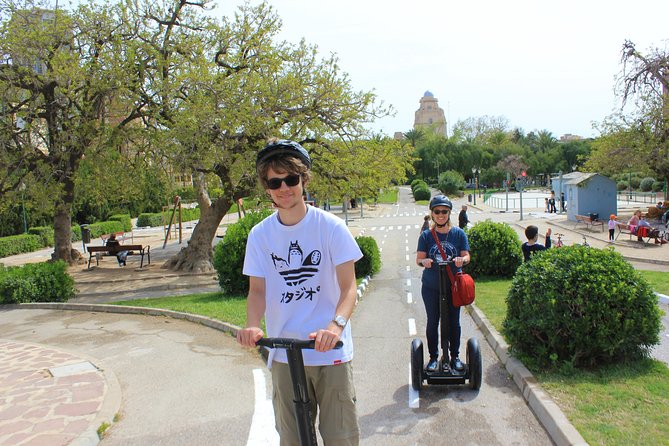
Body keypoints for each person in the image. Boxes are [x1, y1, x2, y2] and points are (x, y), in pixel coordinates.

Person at [236, 139, 362, 445]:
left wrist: (336, 327)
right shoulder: (260, 235)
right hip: (284, 354)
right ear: (266, 187)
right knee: (291, 439)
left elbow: (349, 289)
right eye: (275, 181)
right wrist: (253, 324)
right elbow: (257, 292)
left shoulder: (330, 228)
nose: (284, 188)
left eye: (291, 179)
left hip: (329, 351)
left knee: (340, 437)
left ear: (303, 179)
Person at [416, 195, 471, 373]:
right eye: (437, 211)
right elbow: (419, 258)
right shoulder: (426, 236)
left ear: (449, 213)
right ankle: (433, 358)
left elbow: (466, 255)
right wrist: (424, 262)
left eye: (444, 211)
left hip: (453, 286)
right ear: (432, 214)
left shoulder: (458, 234)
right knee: (433, 321)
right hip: (431, 287)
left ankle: (454, 356)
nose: (440, 215)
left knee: (454, 322)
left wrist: (461, 259)